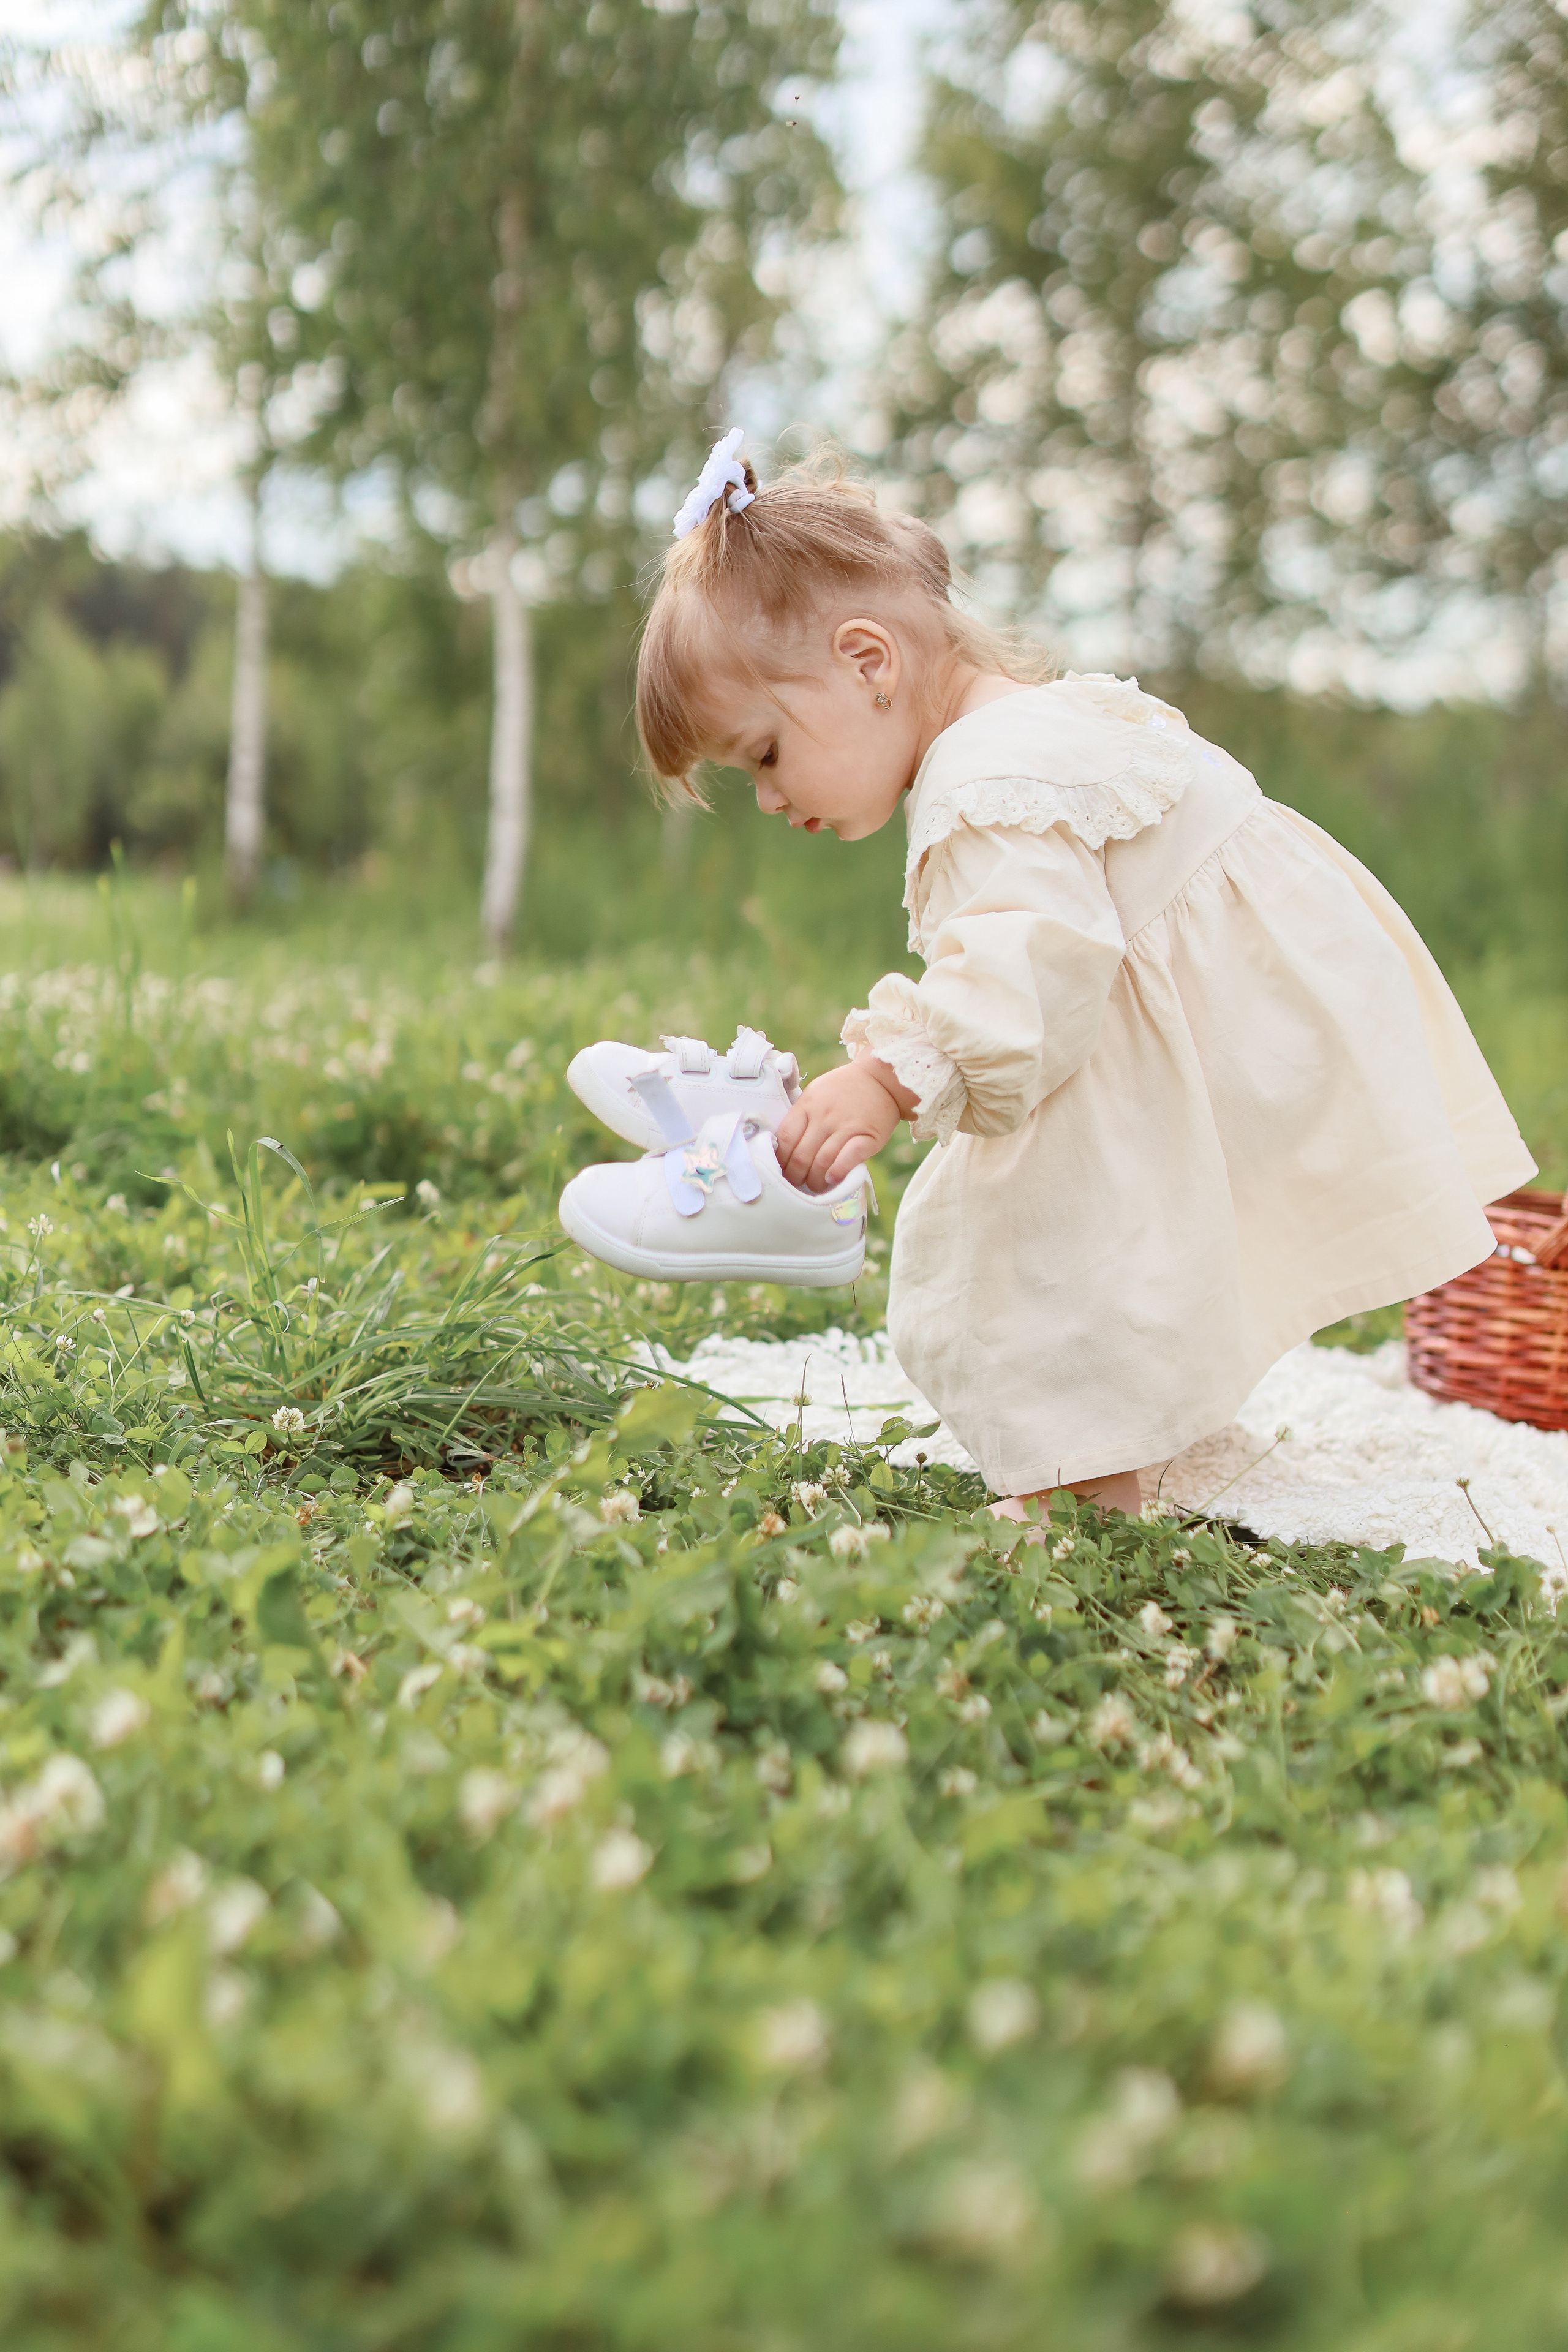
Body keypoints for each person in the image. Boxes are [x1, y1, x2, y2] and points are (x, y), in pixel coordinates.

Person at [634, 434, 1537, 1521]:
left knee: (1013, 1248)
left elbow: (1027, 973)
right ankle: (1154, 1419)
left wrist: (887, 1078)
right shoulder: (1035, 723)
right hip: (1230, 1028)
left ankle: (1077, 1490)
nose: (774, 801)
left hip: (1173, 1029)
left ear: (868, 661)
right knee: (1116, 1223)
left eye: (766, 754)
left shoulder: (985, 781)